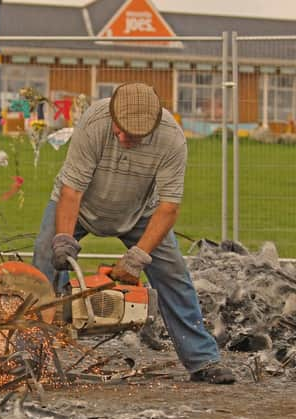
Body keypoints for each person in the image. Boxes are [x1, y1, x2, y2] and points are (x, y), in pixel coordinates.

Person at [32, 82, 235, 384]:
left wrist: (138, 257)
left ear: (152, 128)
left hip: (141, 211)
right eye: (121, 128)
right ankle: (31, 354)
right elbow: (72, 190)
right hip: (81, 205)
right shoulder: (95, 121)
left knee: (174, 274)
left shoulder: (171, 139)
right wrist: (63, 240)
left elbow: (168, 207)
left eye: (134, 134)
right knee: (44, 262)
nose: (123, 136)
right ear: (112, 114)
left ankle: (203, 359)